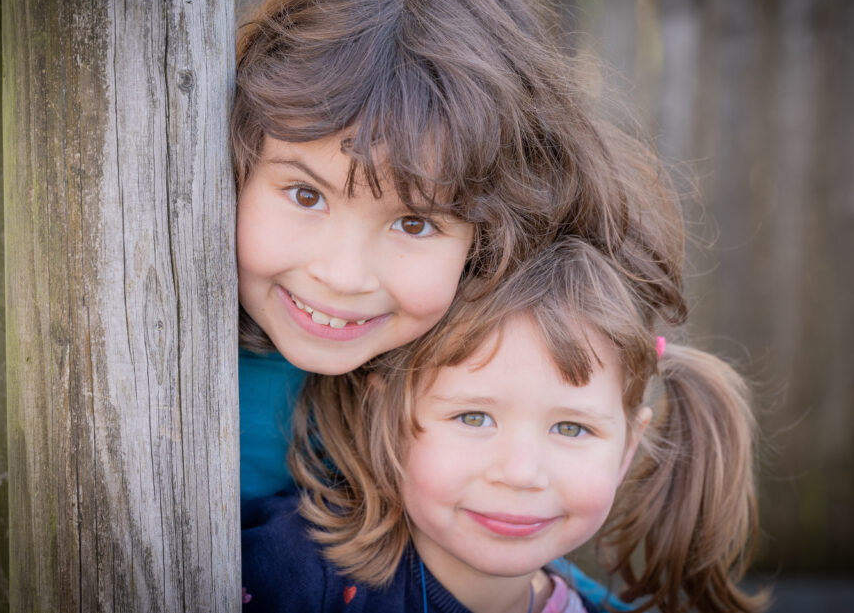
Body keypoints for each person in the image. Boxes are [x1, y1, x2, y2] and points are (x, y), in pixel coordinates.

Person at [232, 0, 684, 504]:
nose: (344, 275)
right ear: (236, 166)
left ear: (490, 238)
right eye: (305, 194)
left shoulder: (484, 391)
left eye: (415, 224)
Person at [241, 239, 767, 613]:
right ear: (386, 419)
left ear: (628, 446)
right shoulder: (289, 578)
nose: (520, 473)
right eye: (474, 417)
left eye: (571, 429)